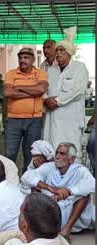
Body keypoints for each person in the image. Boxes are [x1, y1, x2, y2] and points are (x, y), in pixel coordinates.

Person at [21, 142, 95, 239]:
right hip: (51, 209)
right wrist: (49, 188)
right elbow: (26, 176)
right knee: (34, 186)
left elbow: (92, 184)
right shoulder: (49, 166)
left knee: (85, 195)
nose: (57, 156)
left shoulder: (80, 170)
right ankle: (37, 225)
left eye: (62, 154)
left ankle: (66, 230)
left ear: (71, 159)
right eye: (57, 153)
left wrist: (69, 191)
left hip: (72, 213)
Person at [43, 28, 89, 158]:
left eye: (61, 50)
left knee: (72, 153)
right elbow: (43, 89)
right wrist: (46, 99)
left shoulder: (79, 67)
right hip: (52, 119)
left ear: (69, 52)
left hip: (71, 120)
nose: (58, 53)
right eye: (57, 50)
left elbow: (78, 91)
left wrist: (56, 101)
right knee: (52, 152)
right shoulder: (51, 70)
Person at [0, 193, 73, 245]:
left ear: (24, 226)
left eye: (20, 213)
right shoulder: (59, 240)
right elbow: (18, 233)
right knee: (13, 242)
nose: (19, 215)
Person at [3, 47, 48, 171]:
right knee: (10, 154)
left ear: (33, 59)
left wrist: (18, 87)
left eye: (26, 57)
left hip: (34, 120)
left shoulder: (40, 73)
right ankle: (8, 182)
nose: (23, 60)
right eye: (20, 57)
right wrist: (32, 91)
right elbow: (7, 92)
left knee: (31, 155)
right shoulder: (11, 74)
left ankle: (26, 183)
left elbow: (41, 90)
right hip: (13, 120)